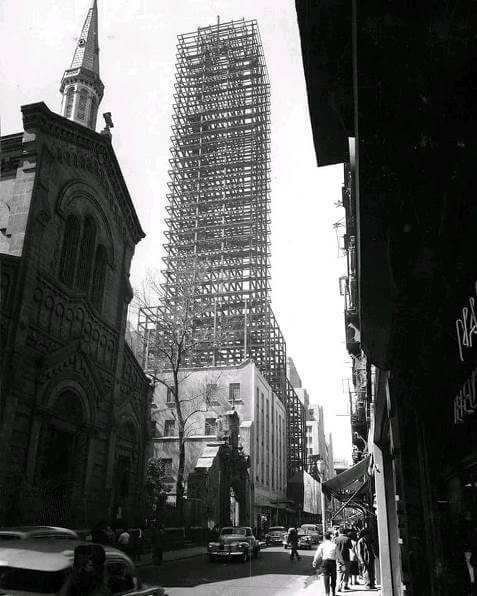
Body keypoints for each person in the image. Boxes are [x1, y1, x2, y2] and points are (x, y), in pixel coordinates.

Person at [313, 531, 344, 596]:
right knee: (333, 577)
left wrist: (315, 561)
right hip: (332, 562)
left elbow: (317, 553)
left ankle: (327, 593)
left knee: (326, 577)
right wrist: (342, 562)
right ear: (330, 537)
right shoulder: (334, 545)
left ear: (324, 537)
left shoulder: (322, 545)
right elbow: (339, 555)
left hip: (325, 562)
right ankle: (333, 592)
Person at [334, 526, 353, 591]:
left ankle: (339, 586)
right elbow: (350, 547)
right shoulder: (348, 539)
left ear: (339, 532)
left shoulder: (336, 539)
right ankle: (345, 585)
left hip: (339, 558)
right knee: (346, 572)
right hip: (346, 558)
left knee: (340, 572)